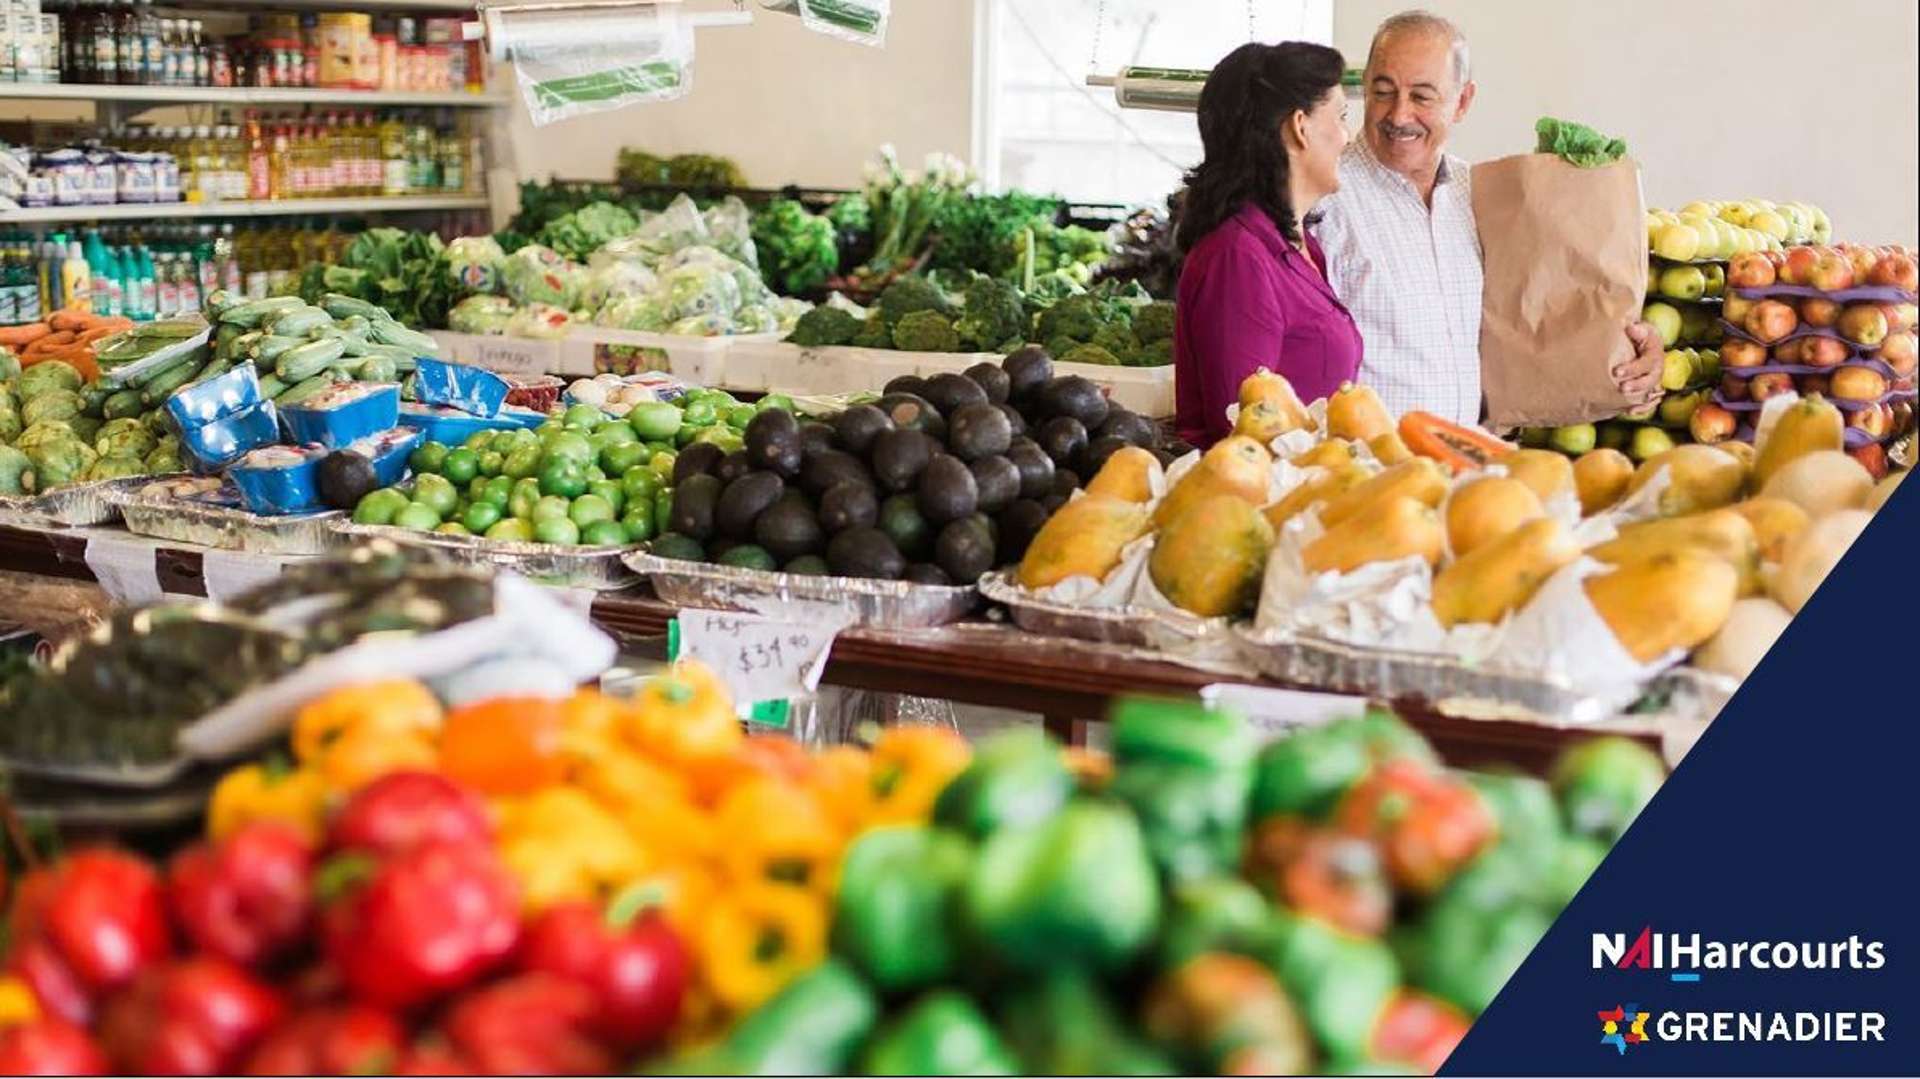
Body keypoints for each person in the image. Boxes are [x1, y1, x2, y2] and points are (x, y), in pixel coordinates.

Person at [1314, 10, 1661, 425]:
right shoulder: (1322, 200)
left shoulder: (1481, 195)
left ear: (1462, 101)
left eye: (1422, 97)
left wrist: (1633, 353)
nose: (1399, 115)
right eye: (1383, 91)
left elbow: (1538, 322)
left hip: (1468, 465)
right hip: (1366, 474)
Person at [1172, 41, 1360, 448]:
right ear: (1300, 127)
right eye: (1342, 117)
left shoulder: (1301, 245)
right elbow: (1244, 435)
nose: (1348, 137)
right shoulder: (1238, 259)